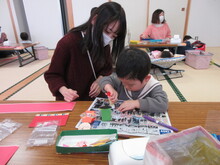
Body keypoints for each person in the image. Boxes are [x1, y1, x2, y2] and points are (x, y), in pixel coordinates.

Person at [44, 2, 127, 102]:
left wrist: (99, 80)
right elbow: (52, 74)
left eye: (114, 36)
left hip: (94, 100)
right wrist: (64, 90)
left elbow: (107, 69)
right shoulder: (68, 42)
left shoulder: (104, 45)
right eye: (107, 31)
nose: (109, 38)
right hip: (70, 101)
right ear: (94, 20)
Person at [99, 47, 168, 113]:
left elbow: (163, 104)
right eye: (123, 82)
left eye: (130, 85)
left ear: (146, 78)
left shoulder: (153, 86)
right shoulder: (123, 80)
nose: (125, 86)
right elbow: (105, 79)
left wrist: (136, 103)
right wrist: (109, 88)